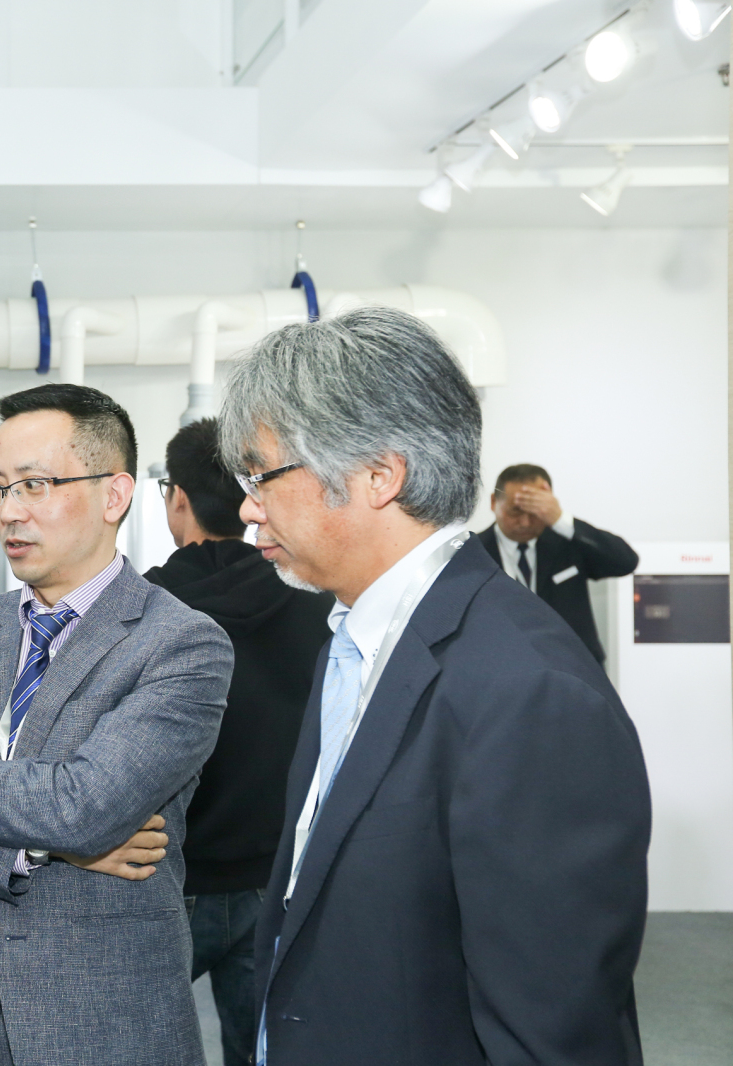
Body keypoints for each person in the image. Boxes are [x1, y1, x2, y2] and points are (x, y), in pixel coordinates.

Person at [217, 308, 650, 1065]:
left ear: (379, 476)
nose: (249, 507)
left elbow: (552, 1026)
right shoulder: (355, 638)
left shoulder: (530, 691)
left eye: (263, 476)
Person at [0, 383, 233, 1066]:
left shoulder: (180, 643)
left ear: (114, 495)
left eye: (35, 485)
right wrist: (40, 851)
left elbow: (84, 805)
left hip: (96, 1021)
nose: (9, 511)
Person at [142, 417, 331, 1066]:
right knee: (263, 1052)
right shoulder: (312, 600)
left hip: (164, 875)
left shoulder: (141, 609)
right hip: (274, 878)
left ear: (178, 497)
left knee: (132, 1043)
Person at [476, 463, 638, 663]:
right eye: (516, 511)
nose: (525, 522)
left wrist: (561, 520)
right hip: (499, 665)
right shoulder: (473, 552)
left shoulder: (567, 542)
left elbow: (626, 562)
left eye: (535, 512)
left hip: (572, 666)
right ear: (494, 502)